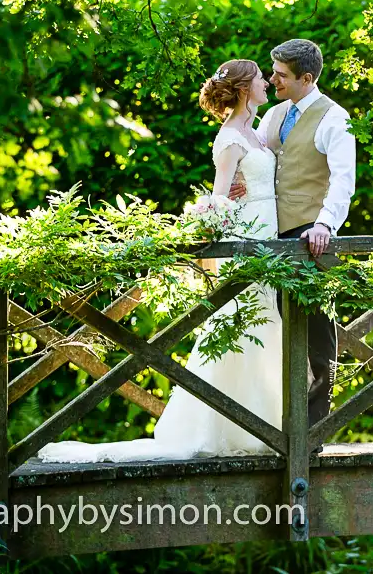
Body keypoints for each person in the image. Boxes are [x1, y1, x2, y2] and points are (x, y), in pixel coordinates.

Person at [36, 59, 283, 463]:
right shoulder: (230, 140)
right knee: (244, 328)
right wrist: (210, 211)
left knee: (266, 330)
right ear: (243, 89)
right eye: (259, 79)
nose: (266, 84)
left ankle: (261, 425)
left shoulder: (256, 134)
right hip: (248, 244)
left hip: (269, 239)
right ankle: (226, 429)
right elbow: (220, 199)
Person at [232, 38, 356, 427]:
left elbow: (343, 180)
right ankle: (276, 423)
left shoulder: (335, 118)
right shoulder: (273, 116)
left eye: (281, 75)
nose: (273, 80)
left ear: (306, 78)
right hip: (269, 233)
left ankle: (313, 430)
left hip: (309, 236)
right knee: (274, 331)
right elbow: (255, 158)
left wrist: (324, 224)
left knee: (316, 332)